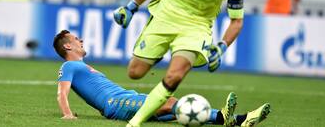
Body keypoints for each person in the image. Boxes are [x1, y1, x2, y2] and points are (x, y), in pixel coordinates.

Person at [113, 0, 267, 127]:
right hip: (166, 15)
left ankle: (135, 122)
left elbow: (236, 21)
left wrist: (222, 47)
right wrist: (132, 6)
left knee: (175, 75)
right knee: (135, 72)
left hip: (196, 26)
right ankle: (160, 55)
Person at [53, 30, 271, 127]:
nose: (80, 39)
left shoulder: (82, 66)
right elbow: (62, 92)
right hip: (116, 104)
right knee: (171, 103)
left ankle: (238, 120)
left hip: (126, 98)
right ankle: (227, 117)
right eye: (75, 38)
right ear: (68, 46)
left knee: (179, 111)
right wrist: (68, 115)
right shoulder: (69, 65)